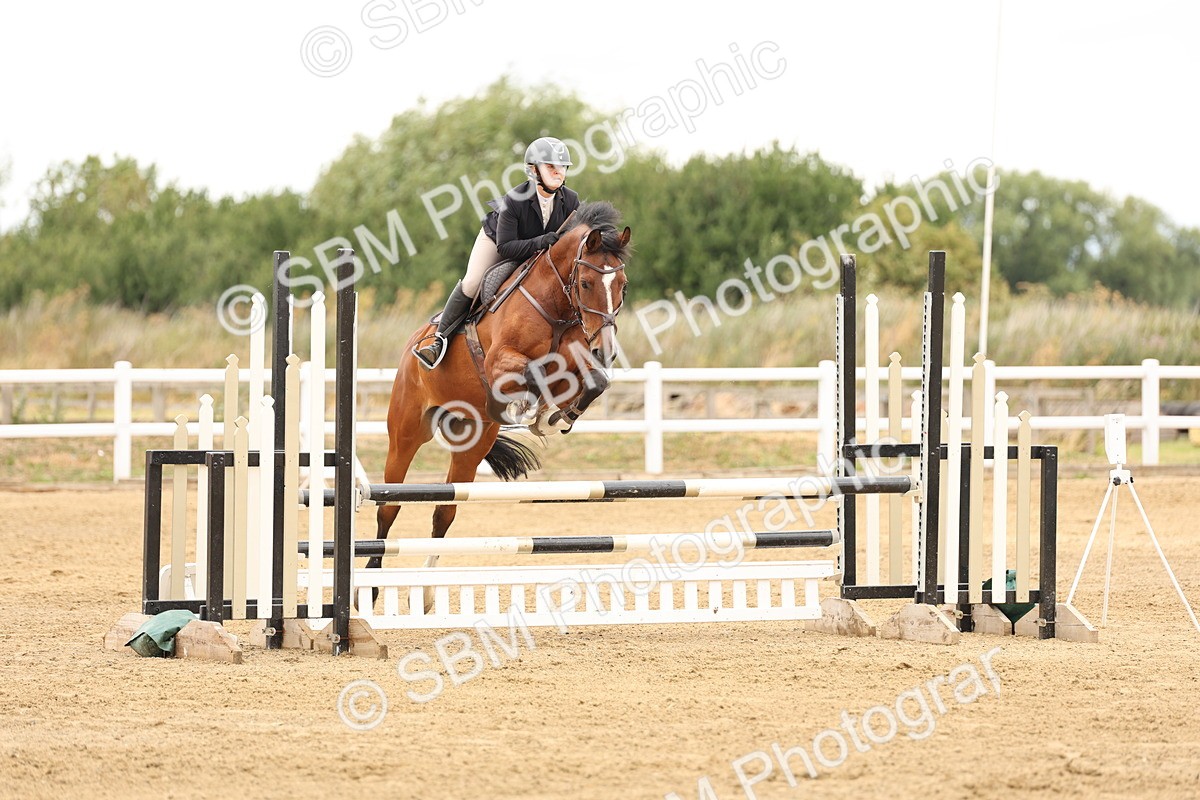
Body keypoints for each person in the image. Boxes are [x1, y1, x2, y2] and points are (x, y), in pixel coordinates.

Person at [413, 136, 581, 369]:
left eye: (562, 167)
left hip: (537, 250)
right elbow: (506, 247)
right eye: (551, 166)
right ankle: (438, 341)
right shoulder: (515, 200)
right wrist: (542, 241)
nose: (558, 172)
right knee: (472, 282)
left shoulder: (571, 200)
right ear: (533, 170)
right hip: (498, 240)